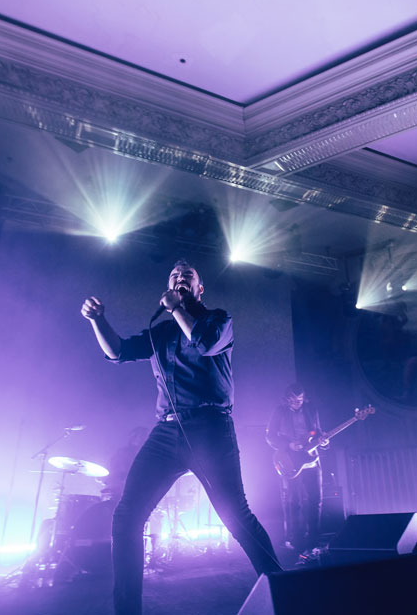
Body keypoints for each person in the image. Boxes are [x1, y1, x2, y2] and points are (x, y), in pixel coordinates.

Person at [81, 259, 280, 615]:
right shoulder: (160, 332)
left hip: (210, 427)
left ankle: (285, 590)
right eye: (174, 275)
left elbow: (204, 343)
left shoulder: (219, 319)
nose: (180, 277)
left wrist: (176, 308)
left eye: (188, 275)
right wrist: (98, 320)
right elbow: (118, 352)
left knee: (236, 516)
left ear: (200, 288)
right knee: (126, 516)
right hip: (167, 430)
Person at [265, 383, 325, 555]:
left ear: (304, 398)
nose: (297, 403)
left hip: (311, 459)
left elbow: (317, 432)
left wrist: (324, 441)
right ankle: (295, 541)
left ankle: (314, 542)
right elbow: (270, 436)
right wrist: (289, 445)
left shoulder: (311, 410)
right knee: (294, 501)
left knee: (316, 500)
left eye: (300, 400)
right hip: (290, 459)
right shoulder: (279, 411)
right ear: (287, 399)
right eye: (293, 400)